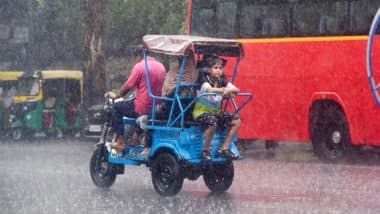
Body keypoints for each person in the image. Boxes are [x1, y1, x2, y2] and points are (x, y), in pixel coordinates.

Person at [104, 45, 166, 155]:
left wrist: (116, 95)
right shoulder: (161, 66)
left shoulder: (140, 66)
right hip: (157, 107)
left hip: (143, 107)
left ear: (138, 56)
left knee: (116, 108)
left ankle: (121, 142)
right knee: (130, 106)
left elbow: (128, 86)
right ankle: (135, 137)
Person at [192, 56, 241, 161]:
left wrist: (228, 91)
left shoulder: (221, 81)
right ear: (210, 70)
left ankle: (224, 148)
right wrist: (224, 91)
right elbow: (209, 89)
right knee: (213, 122)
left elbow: (236, 90)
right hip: (201, 112)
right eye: (215, 68)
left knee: (236, 120)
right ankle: (206, 150)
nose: (218, 70)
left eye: (220, 68)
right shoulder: (203, 79)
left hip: (215, 112)